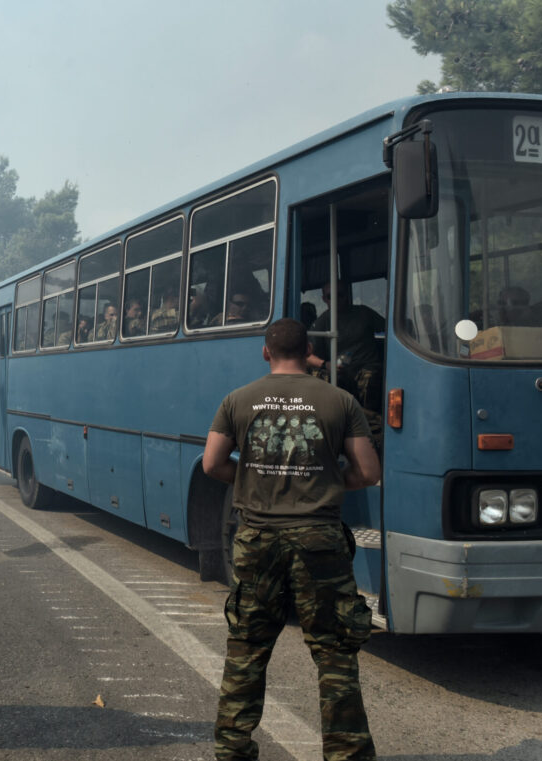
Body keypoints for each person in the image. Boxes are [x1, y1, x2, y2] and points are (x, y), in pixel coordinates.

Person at [202, 318, 380, 761]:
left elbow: (211, 464)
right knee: (335, 654)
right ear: (309, 351)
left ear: (266, 352)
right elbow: (368, 472)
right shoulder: (341, 401)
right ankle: (346, 755)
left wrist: (250, 479)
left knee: (247, 649)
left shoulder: (237, 400)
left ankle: (232, 750)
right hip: (319, 539)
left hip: (257, 538)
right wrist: (327, 480)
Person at [306, 283, 386, 436]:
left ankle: (374, 426)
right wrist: (325, 364)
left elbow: (391, 328)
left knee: (369, 378)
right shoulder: (322, 322)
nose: (336, 300)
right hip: (341, 372)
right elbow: (306, 355)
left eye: (340, 295)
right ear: (324, 299)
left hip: (368, 367)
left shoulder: (364, 313)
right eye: (330, 296)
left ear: (347, 295)